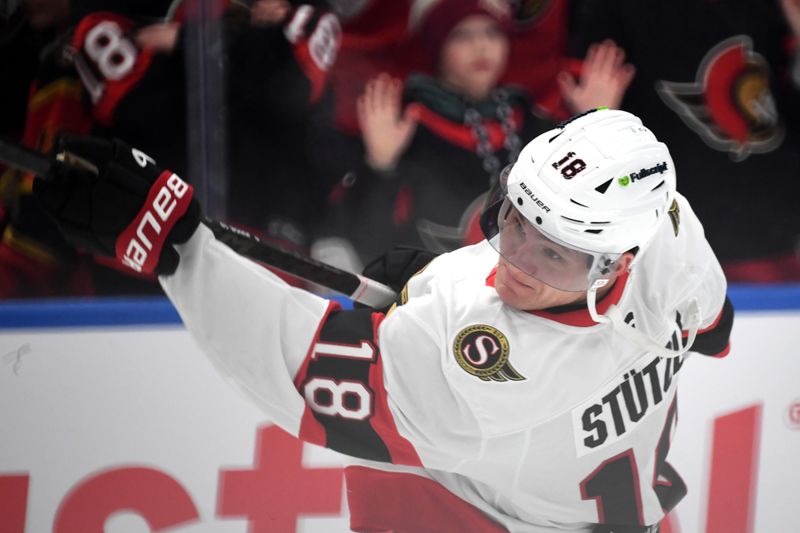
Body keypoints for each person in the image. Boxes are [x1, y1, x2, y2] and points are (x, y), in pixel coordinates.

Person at [33, 108, 734, 532]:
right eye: (514, 223)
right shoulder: (667, 232)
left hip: (490, 515)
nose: (516, 260)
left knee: (389, 467)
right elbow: (716, 327)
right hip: (628, 514)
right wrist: (434, 281)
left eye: (552, 255)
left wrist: (175, 247)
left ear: (615, 263)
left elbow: (304, 372)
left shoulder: (495, 375)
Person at [567, 0, 800, 282]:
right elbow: (592, 106)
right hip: (670, 244)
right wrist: (598, 119)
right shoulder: (616, 11)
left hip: (773, 230)